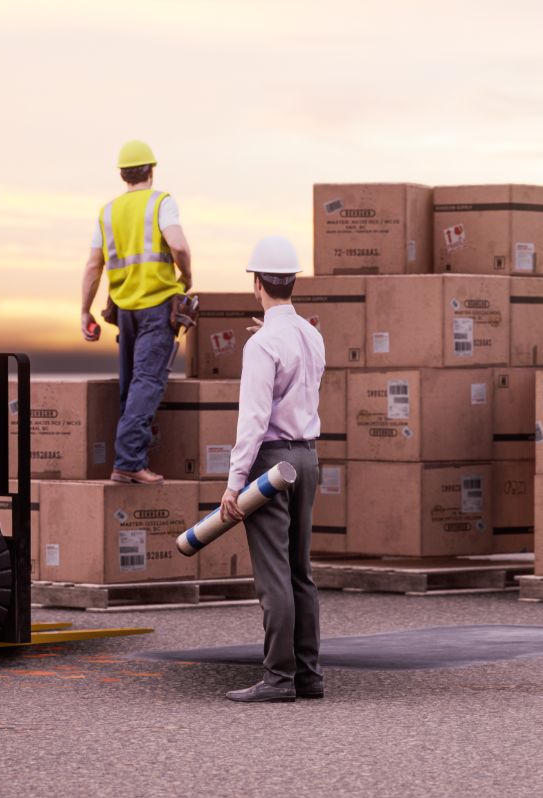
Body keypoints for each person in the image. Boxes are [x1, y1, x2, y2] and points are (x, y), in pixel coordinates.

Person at [220, 235, 326, 704]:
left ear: (257, 283)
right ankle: (308, 676)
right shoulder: (311, 334)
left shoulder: (263, 344)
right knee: (300, 570)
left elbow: (254, 419)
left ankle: (277, 680)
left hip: (272, 463)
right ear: (293, 281)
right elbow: (296, 375)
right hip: (308, 457)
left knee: (274, 576)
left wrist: (234, 482)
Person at [80, 139, 192, 484]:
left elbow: (93, 267)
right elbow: (178, 245)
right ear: (151, 170)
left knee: (131, 386)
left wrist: (84, 311)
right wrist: (186, 277)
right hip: (157, 306)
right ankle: (128, 461)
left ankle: (131, 461)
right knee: (146, 383)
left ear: (123, 175)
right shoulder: (161, 202)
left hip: (125, 310)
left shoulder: (108, 212)